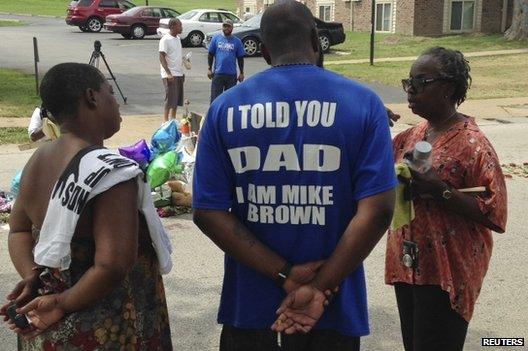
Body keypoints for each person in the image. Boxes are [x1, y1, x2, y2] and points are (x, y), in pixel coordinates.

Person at [192, 2, 396, 350]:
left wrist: (284, 273)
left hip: (252, 310)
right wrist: (319, 286)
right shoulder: (363, 103)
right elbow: (377, 210)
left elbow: (207, 211)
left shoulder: (224, 109)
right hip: (332, 308)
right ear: (316, 40)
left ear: (266, 50)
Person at [0, 63, 173, 350]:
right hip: (103, 327)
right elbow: (111, 265)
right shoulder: (112, 174)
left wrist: (32, 275)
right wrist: (61, 302)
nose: (116, 102)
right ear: (92, 97)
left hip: (48, 326)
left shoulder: (39, 159)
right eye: (110, 92)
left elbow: (17, 229)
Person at [385, 47, 508, 351]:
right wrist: (369, 116)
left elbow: (496, 213)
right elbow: (369, 169)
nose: (411, 89)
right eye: (408, 81)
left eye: (421, 82)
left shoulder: (472, 143)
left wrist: (438, 189)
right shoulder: (411, 136)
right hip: (408, 264)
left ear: (448, 89)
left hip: (446, 273)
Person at [207, 19, 245, 102]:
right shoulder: (216, 39)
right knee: (215, 99)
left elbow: (240, 58)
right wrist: (209, 69)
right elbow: (210, 54)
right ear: (222, 27)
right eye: (224, 26)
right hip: (218, 73)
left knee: (230, 99)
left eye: (229, 26)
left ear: (232, 28)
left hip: (231, 75)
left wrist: (241, 73)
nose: (226, 28)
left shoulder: (237, 41)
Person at [159, 18, 184, 122]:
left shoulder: (178, 38)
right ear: (173, 27)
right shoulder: (165, 40)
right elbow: (161, 57)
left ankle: (173, 119)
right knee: (170, 98)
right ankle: (165, 121)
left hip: (179, 73)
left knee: (176, 99)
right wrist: (168, 73)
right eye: (179, 25)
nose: (181, 27)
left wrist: (185, 60)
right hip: (170, 74)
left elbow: (176, 55)